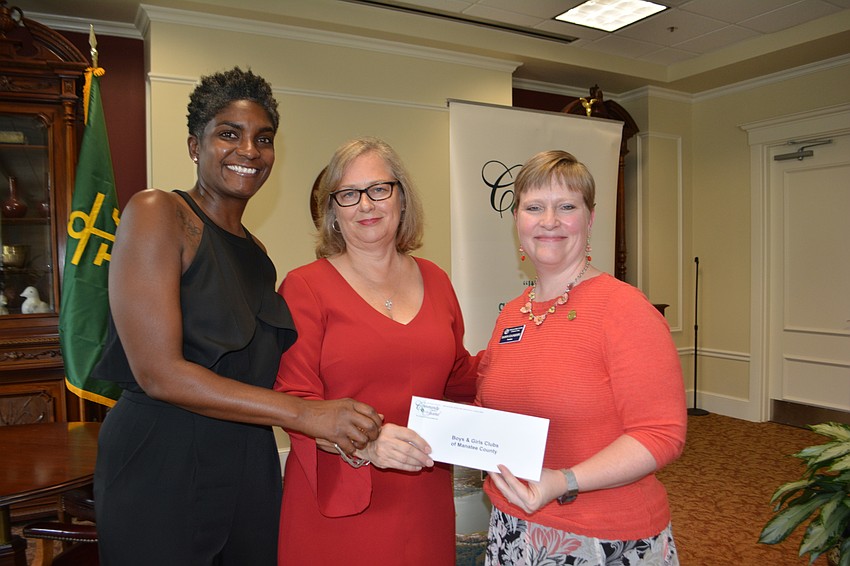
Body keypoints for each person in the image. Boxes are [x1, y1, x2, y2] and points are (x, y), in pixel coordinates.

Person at [91, 67, 381, 566]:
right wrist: (308, 416)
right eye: (229, 133)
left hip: (248, 463)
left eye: (263, 139)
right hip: (162, 460)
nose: (249, 150)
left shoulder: (259, 254)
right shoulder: (159, 212)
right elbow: (159, 372)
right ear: (193, 145)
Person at [274, 136, 480, 565]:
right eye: (348, 194)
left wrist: (532, 350)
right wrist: (365, 445)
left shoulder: (437, 280)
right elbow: (293, 401)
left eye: (378, 189)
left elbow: (460, 379)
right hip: (338, 500)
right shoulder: (305, 287)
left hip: (424, 494)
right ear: (333, 211)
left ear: (401, 199)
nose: (365, 205)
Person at [476, 150, 687, 565]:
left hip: (603, 535)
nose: (549, 220)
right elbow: (492, 409)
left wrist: (563, 480)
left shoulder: (624, 309)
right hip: (514, 526)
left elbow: (660, 434)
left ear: (589, 219)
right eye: (534, 207)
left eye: (566, 207)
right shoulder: (512, 313)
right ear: (517, 221)